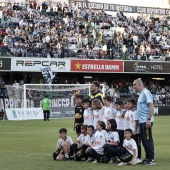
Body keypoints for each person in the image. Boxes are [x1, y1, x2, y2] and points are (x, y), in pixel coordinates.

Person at [133, 79, 155, 165]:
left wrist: (148, 119)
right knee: (144, 140)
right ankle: (147, 158)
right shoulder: (141, 94)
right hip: (142, 121)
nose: (133, 87)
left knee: (148, 140)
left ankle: (151, 159)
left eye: (134, 85)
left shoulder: (146, 93)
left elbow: (151, 106)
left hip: (146, 121)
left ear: (139, 85)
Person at [124, 98, 142, 163]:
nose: (127, 105)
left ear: (134, 105)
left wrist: (135, 130)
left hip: (136, 132)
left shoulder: (135, 111)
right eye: (127, 104)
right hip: (130, 131)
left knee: (137, 145)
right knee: (131, 145)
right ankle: (133, 157)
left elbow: (136, 121)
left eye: (129, 104)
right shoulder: (128, 111)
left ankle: (139, 157)